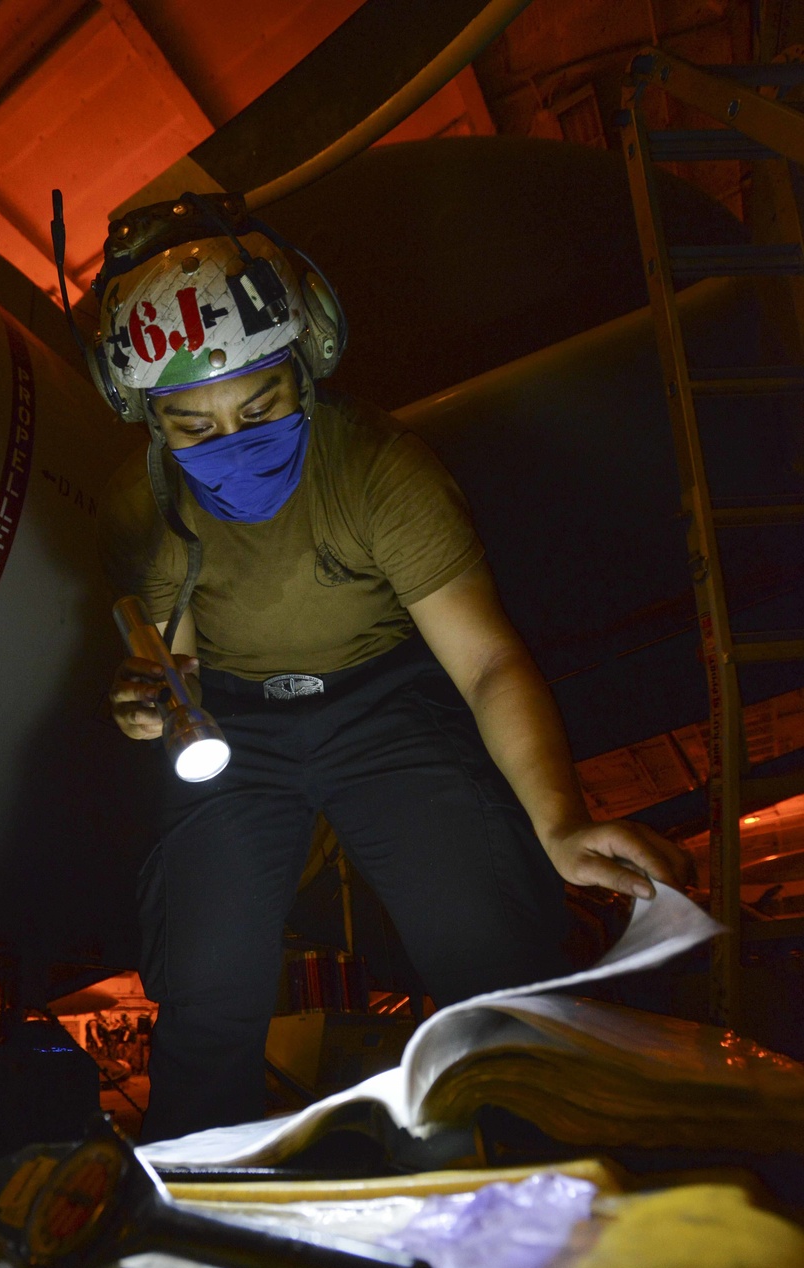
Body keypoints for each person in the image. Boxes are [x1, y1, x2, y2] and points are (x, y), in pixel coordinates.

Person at [93, 193, 688, 1144]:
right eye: (192, 427)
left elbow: (487, 660)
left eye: (261, 404)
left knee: (489, 952)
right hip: (238, 723)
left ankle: (535, 1177)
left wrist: (559, 820)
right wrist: (150, 704)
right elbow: (177, 666)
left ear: (308, 365)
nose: (232, 442)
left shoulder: (380, 469)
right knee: (208, 989)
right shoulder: (145, 504)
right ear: (147, 419)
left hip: (384, 701)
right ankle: (188, 1228)